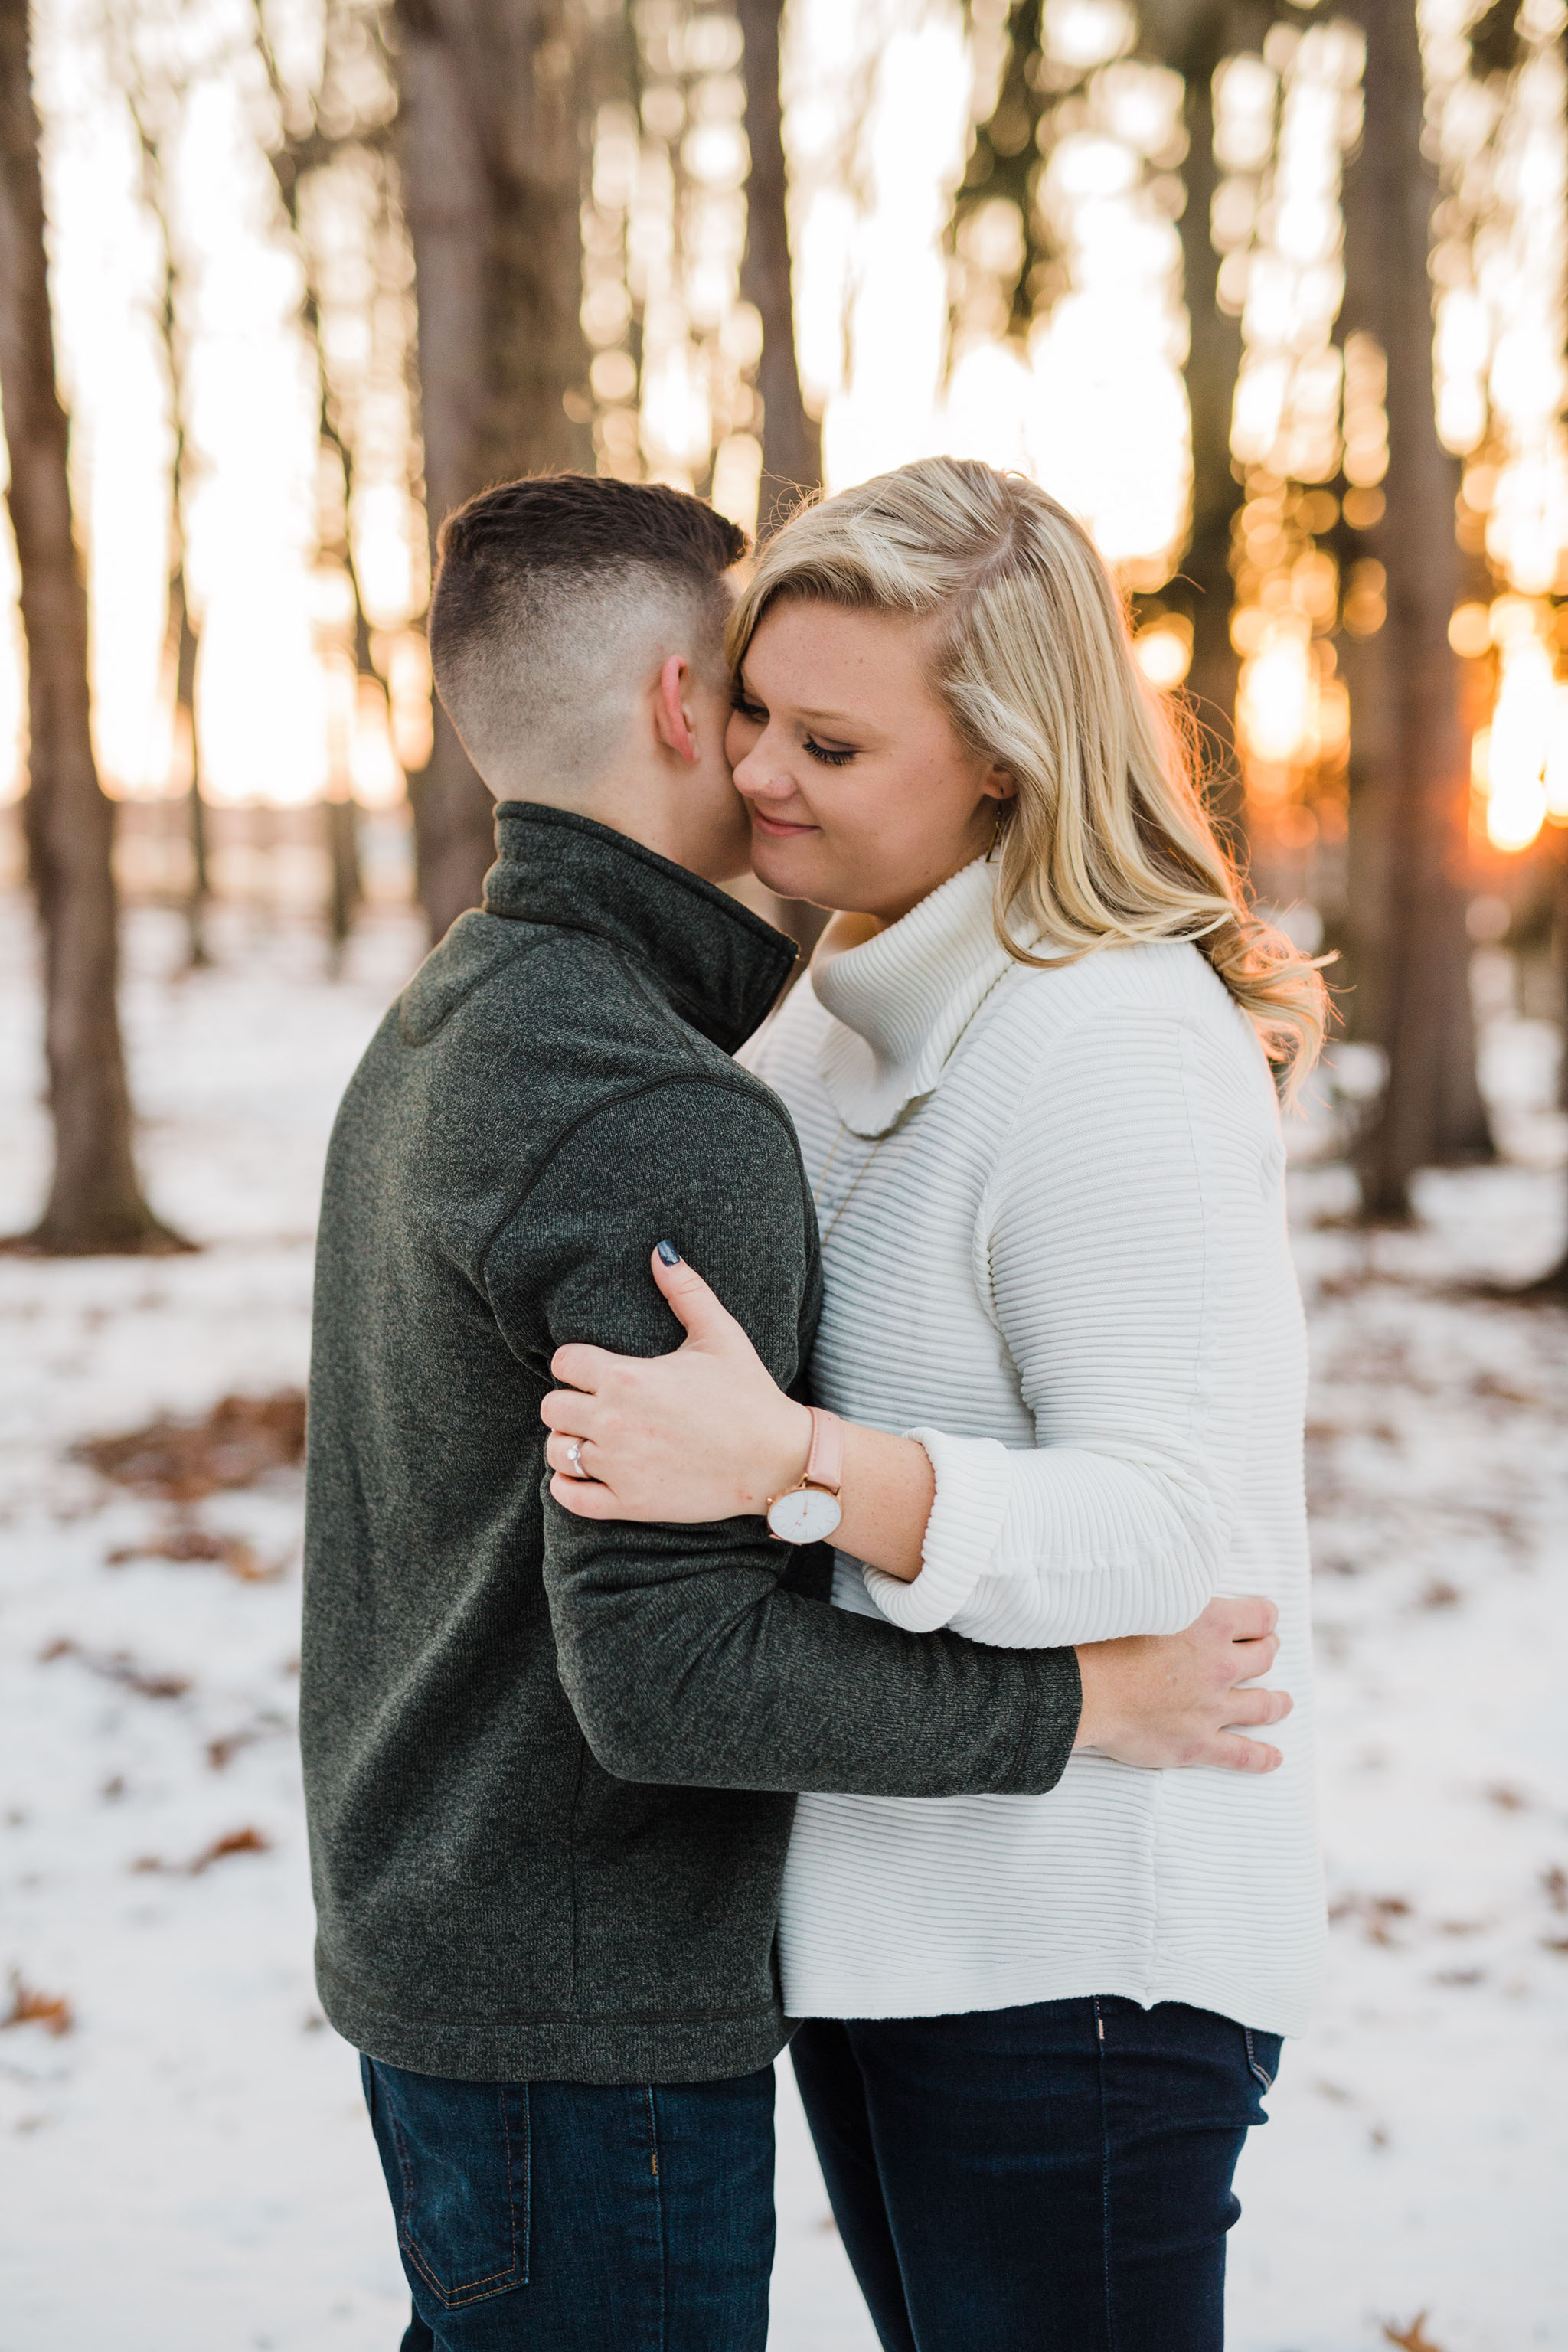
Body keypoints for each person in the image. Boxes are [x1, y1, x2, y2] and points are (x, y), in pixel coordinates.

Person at [300, 471, 1292, 2352]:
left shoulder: (1112, 1049)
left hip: (1076, 1940)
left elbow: (1170, 1526)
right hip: (875, 1924)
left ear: (1004, 757)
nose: (759, 767)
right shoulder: (805, 1032)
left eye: (826, 737)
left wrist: (813, 1469)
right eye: (752, 711)